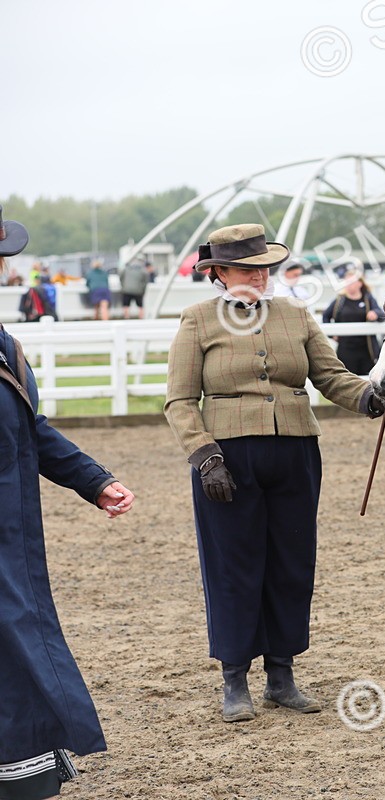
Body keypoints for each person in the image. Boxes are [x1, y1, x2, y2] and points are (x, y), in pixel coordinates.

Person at [165, 224, 383, 724]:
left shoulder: (295, 314)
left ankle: (281, 677)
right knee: (234, 566)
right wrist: (205, 456)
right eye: (247, 269)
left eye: (264, 268)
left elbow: (330, 376)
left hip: (296, 454)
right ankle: (234, 679)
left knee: (291, 563)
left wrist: (370, 397)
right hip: (228, 461)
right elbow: (179, 401)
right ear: (218, 273)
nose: (259, 277)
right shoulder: (198, 320)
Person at [1, 210, 136, 800]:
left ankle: (24, 773)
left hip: (14, 537)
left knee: (17, 648)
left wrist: (93, 480)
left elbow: (34, 430)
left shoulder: (6, 344)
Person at [322, 268, 384, 376]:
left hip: (366, 350)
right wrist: (333, 335)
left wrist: (375, 314)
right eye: (346, 282)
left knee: (367, 382)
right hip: (346, 349)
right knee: (347, 379)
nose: (348, 285)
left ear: (360, 283)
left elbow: (382, 314)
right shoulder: (339, 300)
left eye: (351, 281)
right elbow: (326, 316)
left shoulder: (368, 299)